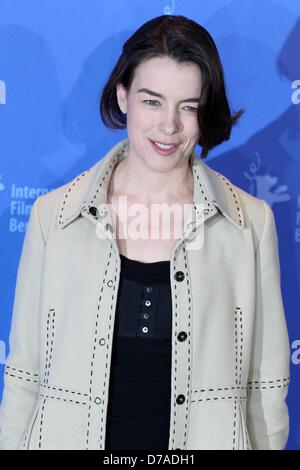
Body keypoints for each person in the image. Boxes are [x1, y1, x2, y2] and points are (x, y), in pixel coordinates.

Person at [0, 14, 290, 450]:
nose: (168, 126)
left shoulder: (249, 223)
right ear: (123, 96)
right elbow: (25, 375)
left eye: (188, 106)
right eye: (152, 101)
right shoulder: (53, 217)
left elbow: (266, 384)